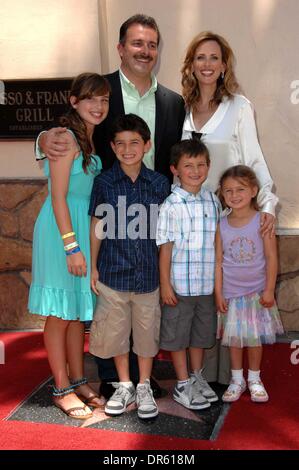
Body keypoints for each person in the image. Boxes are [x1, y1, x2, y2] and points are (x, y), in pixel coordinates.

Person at [36, 14, 185, 397]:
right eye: (137, 43)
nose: (145, 51)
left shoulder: (172, 101)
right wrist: (43, 137)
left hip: (146, 214)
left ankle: (138, 377)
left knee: (134, 300)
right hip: (99, 218)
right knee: (103, 302)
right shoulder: (103, 90)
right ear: (121, 48)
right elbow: (62, 139)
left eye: (151, 44)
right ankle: (107, 377)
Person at [181, 31, 279, 384]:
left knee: (229, 296)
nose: (207, 64)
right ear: (191, 65)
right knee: (202, 295)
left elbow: (254, 160)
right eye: (200, 58)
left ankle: (231, 375)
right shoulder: (180, 108)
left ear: (224, 66)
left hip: (227, 215)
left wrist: (266, 205)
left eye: (214, 58)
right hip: (192, 219)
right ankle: (200, 374)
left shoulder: (239, 107)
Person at [28, 73, 110, 419]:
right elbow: (59, 198)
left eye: (104, 100)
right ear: (74, 101)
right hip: (61, 232)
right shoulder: (64, 138)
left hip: (80, 229)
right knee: (60, 315)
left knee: (77, 314)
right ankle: (61, 387)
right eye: (91, 99)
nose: (99, 106)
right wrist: (71, 247)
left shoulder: (88, 138)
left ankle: (78, 379)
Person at [88, 114, 170, 419]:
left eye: (134, 142)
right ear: (111, 146)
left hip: (148, 275)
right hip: (112, 273)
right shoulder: (104, 183)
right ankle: (124, 385)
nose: (127, 149)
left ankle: (144, 384)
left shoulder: (160, 184)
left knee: (147, 336)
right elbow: (97, 223)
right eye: (120, 143)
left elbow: (165, 235)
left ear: (146, 145)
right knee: (117, 333)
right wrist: (94, 267)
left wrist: (166, 275)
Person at [156, 139, 221, 410]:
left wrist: (219, 286)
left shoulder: (213, 200)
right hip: (180, 286)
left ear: (208, 167)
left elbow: (218, 245)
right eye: (188, 166)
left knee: (200, 336)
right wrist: (165, 285)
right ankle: (182, 382)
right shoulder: (171, 205)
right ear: (175, 170)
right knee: (178, 336)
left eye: (201, 165)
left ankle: (196, 377)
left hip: (206, 286)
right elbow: (165, 248)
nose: (195, 170)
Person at [215, 165, 284, 402]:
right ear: (222, 195)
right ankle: (237, 380)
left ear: (254, 190)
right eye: (228, 191)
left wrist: (269, 290)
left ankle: (254, 378)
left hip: (256, 293)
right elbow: (218, 262)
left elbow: (271, 257)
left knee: (254, 340)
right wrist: (218, 293)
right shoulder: (221, 224)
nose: (234, 195)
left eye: (240, 189)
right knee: (234, 339)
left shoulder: (262, 221)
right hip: (231, 294)